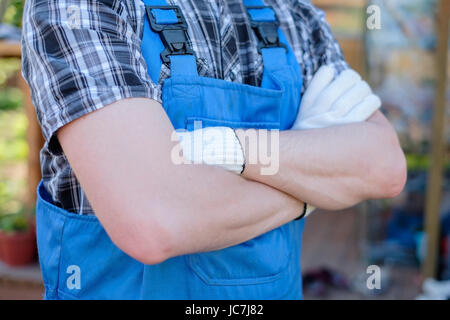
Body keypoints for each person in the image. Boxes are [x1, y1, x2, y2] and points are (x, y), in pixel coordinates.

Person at [22, 0, 406, 300]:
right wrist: (310, 186)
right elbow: (155, 222)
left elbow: (384, 167)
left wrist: (227, 149)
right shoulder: (85, 7)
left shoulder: (294, 14)